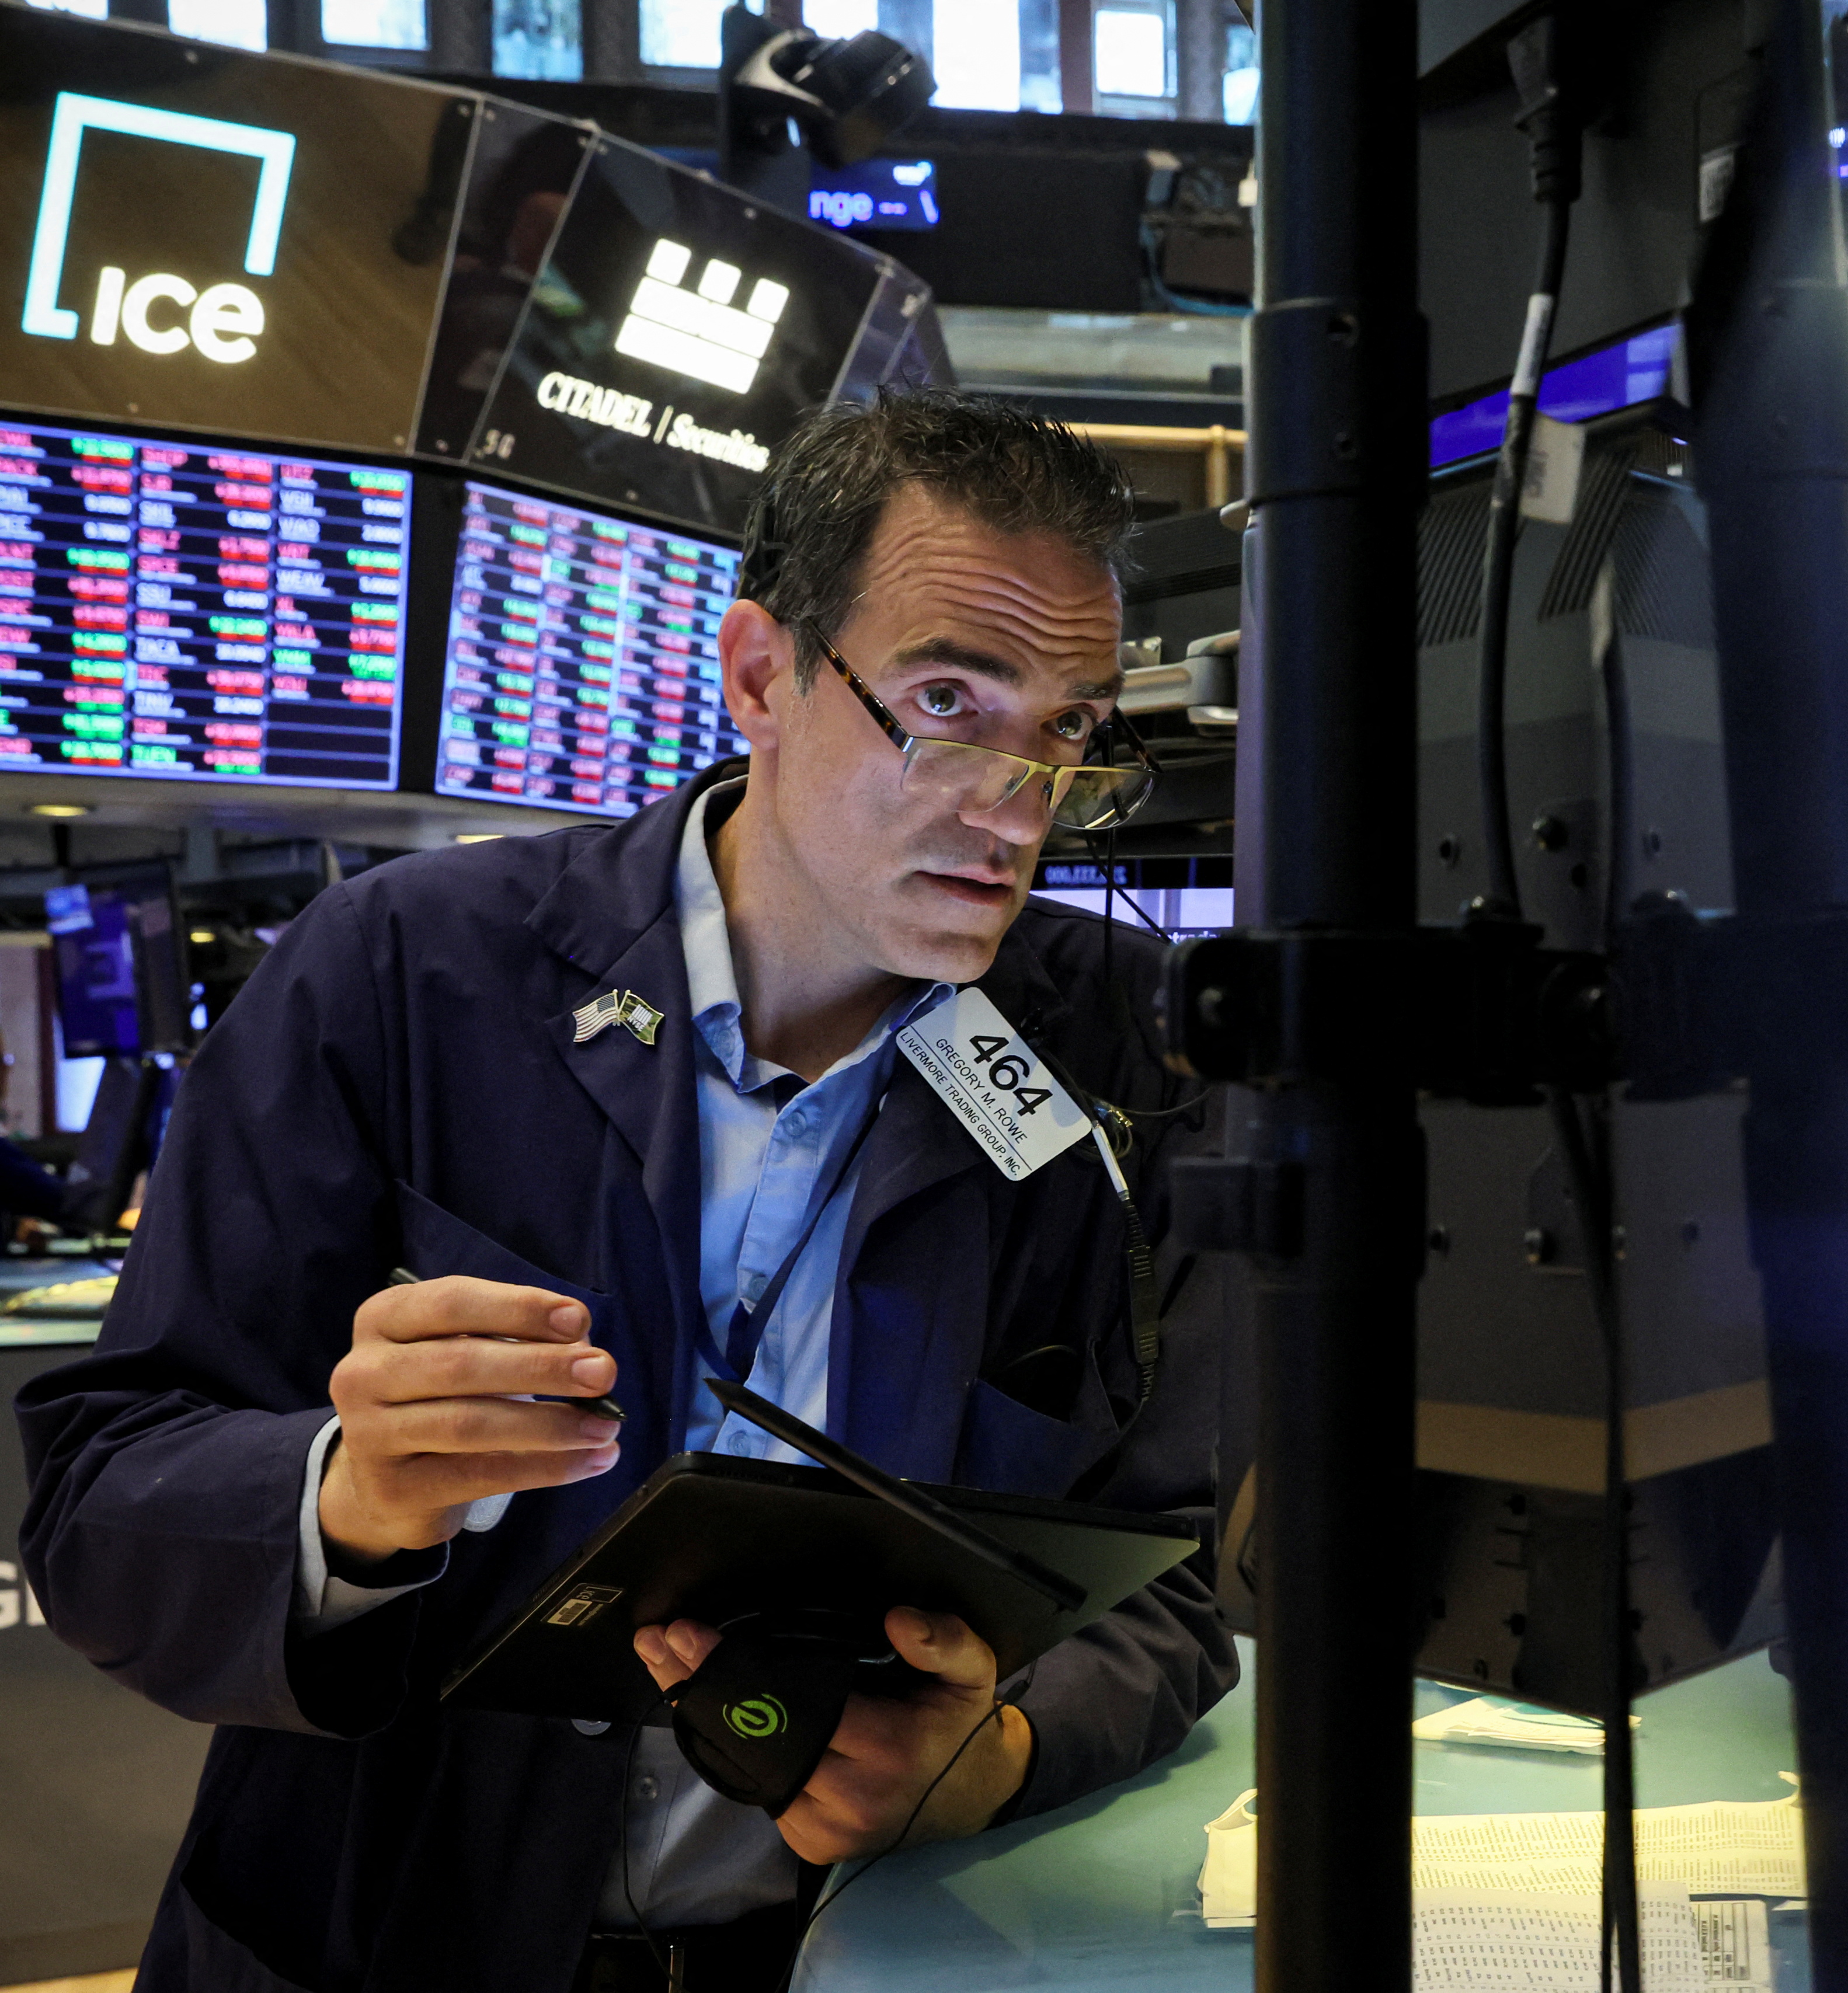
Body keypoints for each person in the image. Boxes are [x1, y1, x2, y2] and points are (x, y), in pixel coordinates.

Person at [16, 389, 1235, 1993]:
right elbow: (105, 1500)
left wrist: (999, 1748)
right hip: (382, 1936)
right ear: (760, 674)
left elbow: (1171, 1578)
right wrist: (348, 1500)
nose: (1012, 807)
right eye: (949, 698)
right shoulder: (393, 971)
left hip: (846, 1952)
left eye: (1066, 730)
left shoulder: (1130, 1054)